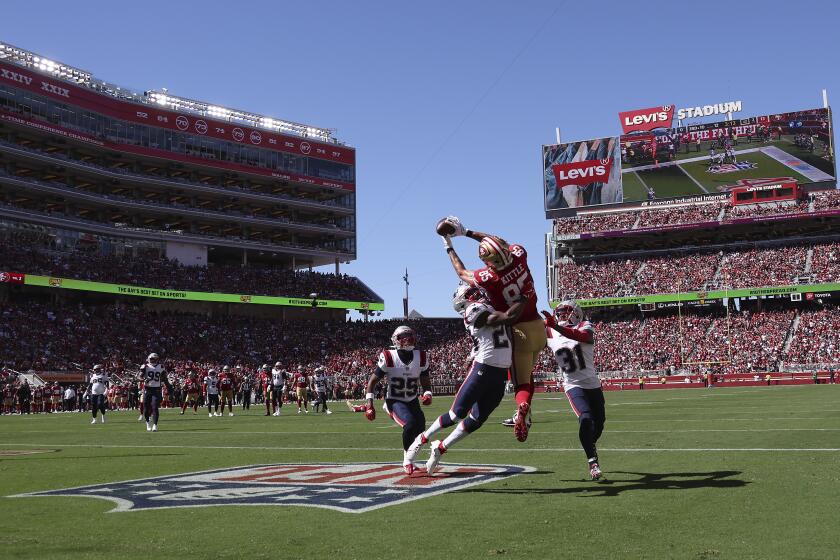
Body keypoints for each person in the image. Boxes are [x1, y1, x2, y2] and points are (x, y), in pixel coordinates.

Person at [439, 216, 545, 443]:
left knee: (521, 382)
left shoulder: (489, 277)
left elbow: (462, 273)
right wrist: (466, 231)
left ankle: (522, 410)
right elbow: (498, 240)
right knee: (527, 375)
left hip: (520, 331)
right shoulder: (519, 253)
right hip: (538, 326)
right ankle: (524, 411)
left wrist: (449, 245)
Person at [412, 283, 524, 475]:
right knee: (456, 415)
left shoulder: (489, 306)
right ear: (463, 301)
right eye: (470, 293)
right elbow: (507, 317)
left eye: (474, 291)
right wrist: (523, 298)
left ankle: (441, 448)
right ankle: (422, 438)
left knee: (477, 419)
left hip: (500, 372)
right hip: (484, 367)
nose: (476, 293)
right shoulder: (473, 310)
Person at [543, 300, 606, 480]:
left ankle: (589, 445)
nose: (562, 315)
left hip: (592, 384)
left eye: (566, 311)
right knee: (585, 419)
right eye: (560, 312)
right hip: (573, 384)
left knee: (599, 424)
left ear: (576, 313)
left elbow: (583, 337)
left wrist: (556, 326)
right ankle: (592, 462)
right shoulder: (549, 331)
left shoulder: (585, 325)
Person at [361, 325, 433, 474]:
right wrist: (369, 405)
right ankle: (407, 459)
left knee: (420, 430)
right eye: (403, 336)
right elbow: (372, 382)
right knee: (410, 424)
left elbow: (425, 381)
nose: (407, 339)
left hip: (412, 400)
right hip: (394, 400)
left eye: (409, 335)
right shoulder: (389, 356)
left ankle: (411, 457)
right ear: (395, 340)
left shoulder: (421, 356)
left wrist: (428, 394)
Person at [139, 353, 173, 432]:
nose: (152, 360)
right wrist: (143, 379)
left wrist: (169, 388)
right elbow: (139, 377)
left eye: (154, 359)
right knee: (146, 408)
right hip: (147, 389)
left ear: (157, 359)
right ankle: (148, 423)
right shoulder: (145, 366)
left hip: (156, 389)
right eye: (151, 359)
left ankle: (155, 425)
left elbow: (165, 379)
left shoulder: (161, 367)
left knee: (154, 407)